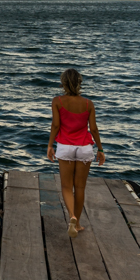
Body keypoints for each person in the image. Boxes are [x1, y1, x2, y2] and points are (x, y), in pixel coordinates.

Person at [47, 68, 106, 238]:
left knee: (66, 186)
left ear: (63, 83)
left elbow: (56, 126)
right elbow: (93, 129)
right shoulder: (88, 104)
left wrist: (50, 145)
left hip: (65, 147)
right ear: (80, 83)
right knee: (80, 187)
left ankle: (72, 216)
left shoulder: (57, 101)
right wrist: (100, 149)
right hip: (85, 148)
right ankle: (78, 223)